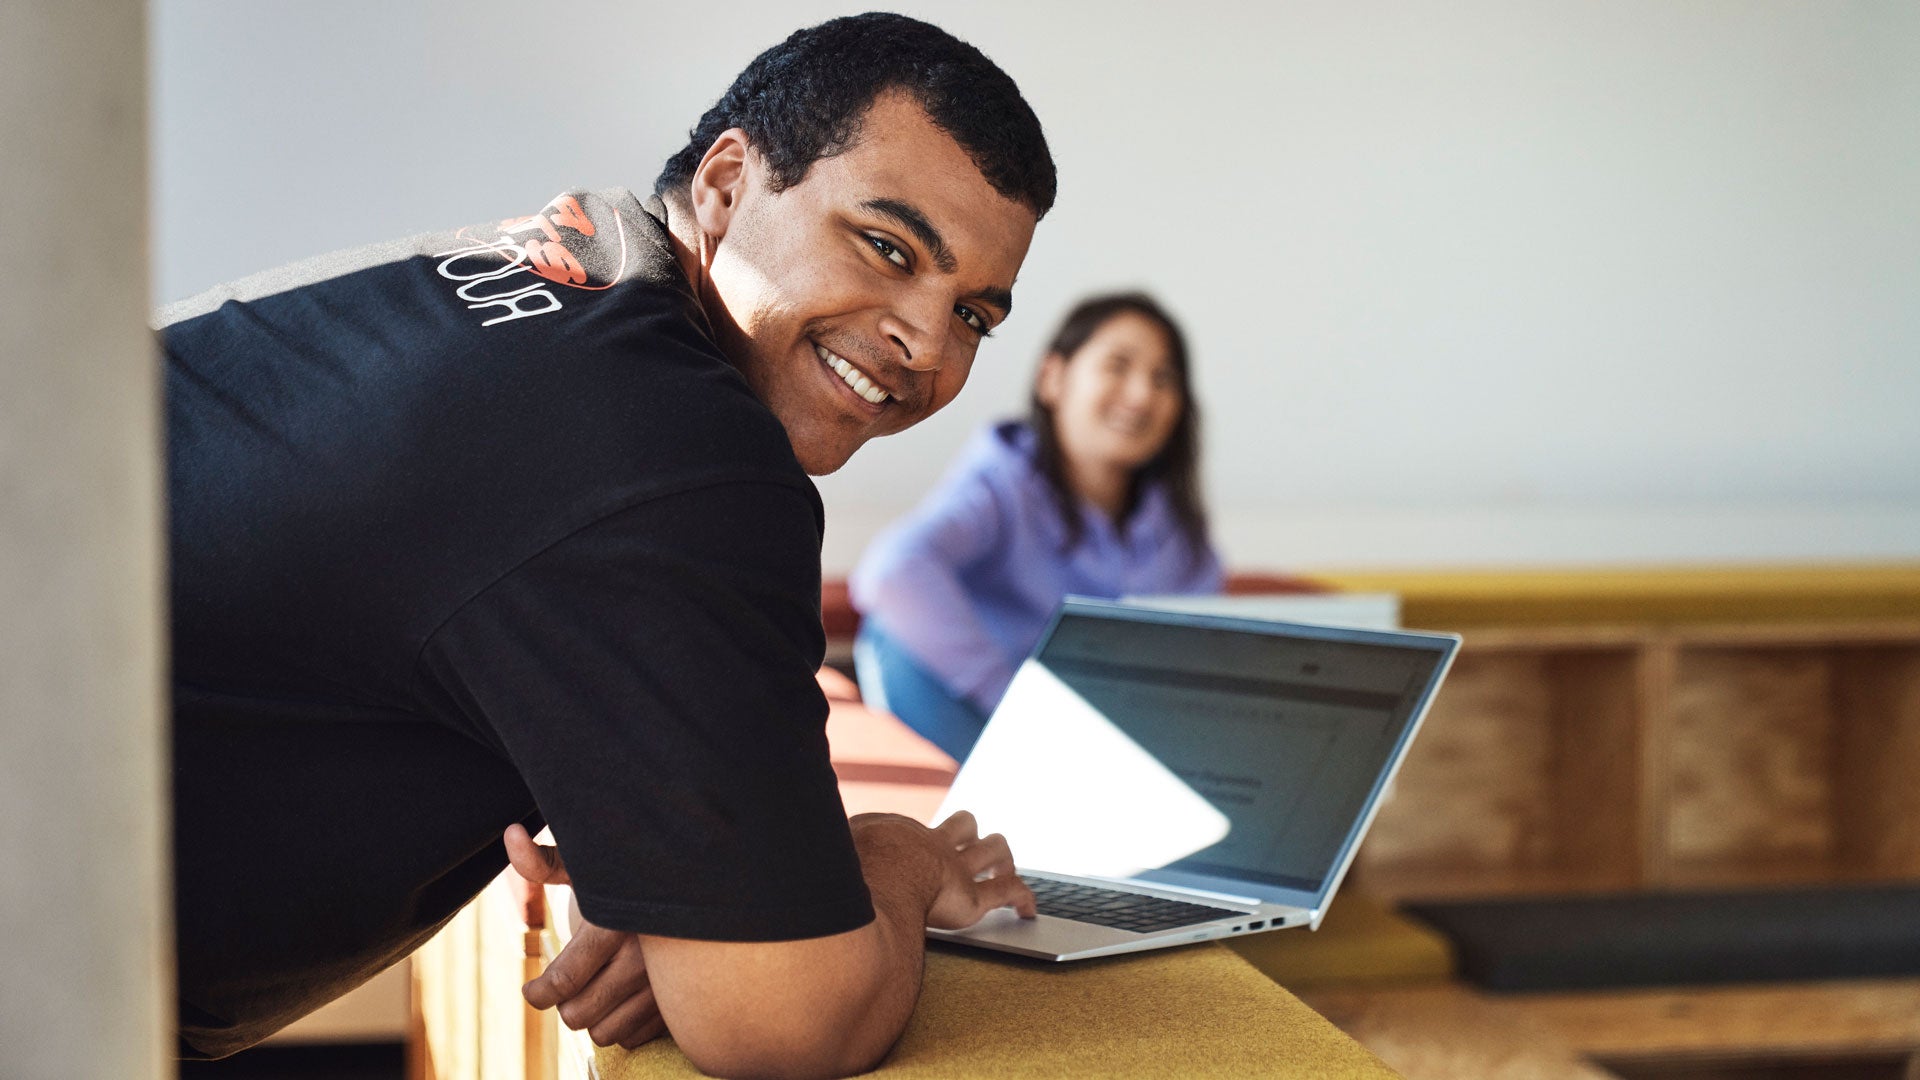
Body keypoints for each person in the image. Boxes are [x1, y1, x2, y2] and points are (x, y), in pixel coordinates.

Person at [163, 14, 1054, 1077]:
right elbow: (784, 1023)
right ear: (727, 184)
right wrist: (894, 859)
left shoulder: (575, 280)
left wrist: (694, 877)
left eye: (974, 316)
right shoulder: (680, 457)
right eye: (888, 247)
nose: (924, 342)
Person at [850, 293, 1223, 761]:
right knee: (895, 635)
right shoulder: (1002, 482)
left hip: (1106, 747)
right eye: (1118, 366)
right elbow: (892, 570)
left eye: (1164, 378)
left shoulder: (1180, 532)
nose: (1142, 394)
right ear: (1053, 378)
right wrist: (1015, 700)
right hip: (992, 728)